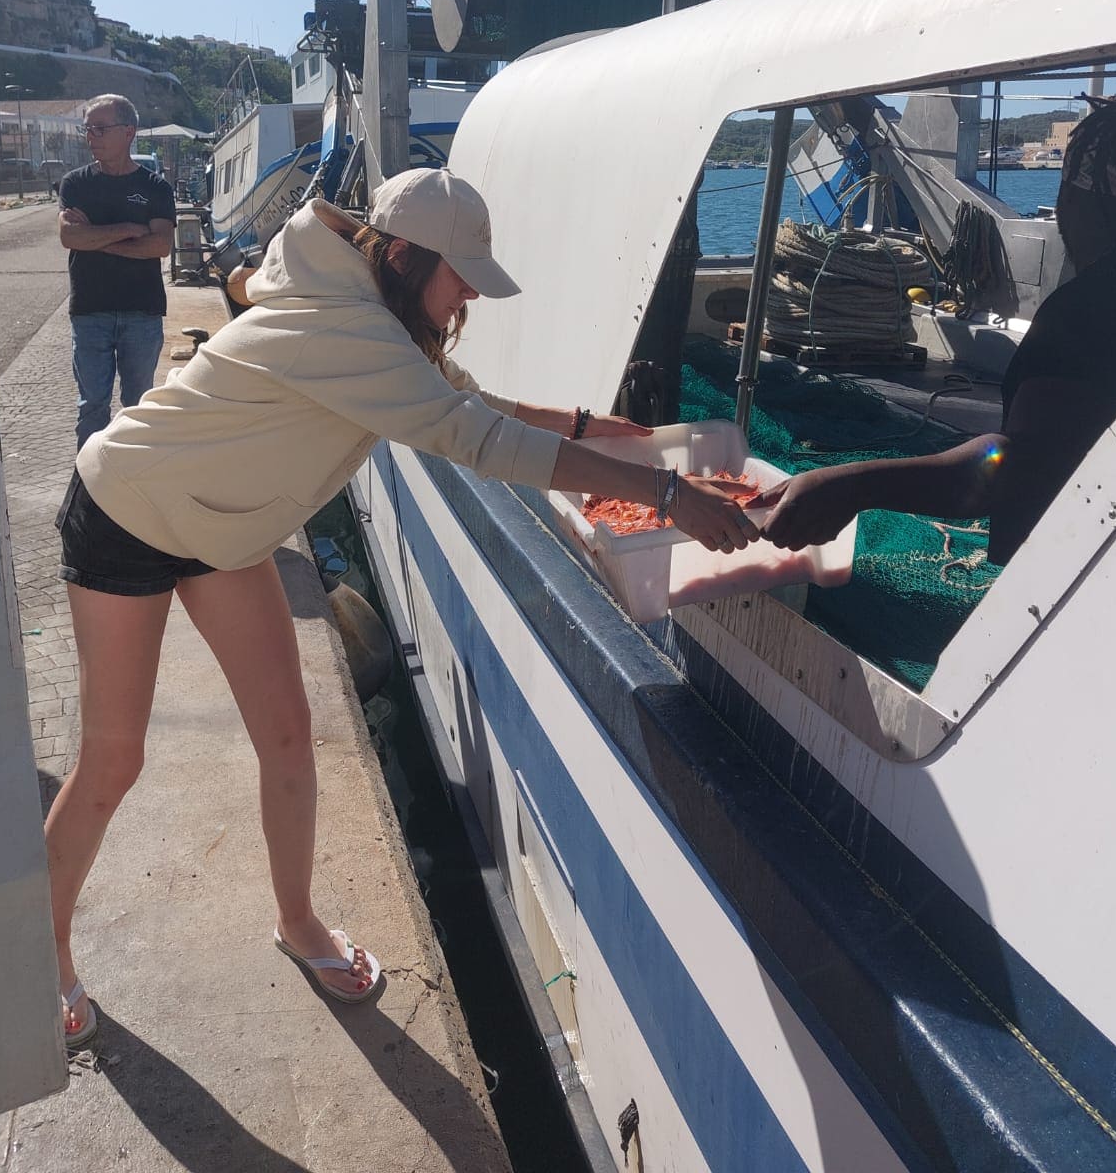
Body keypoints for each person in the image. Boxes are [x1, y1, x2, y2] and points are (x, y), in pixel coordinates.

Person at [50, 167, 760, 1048]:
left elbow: (474, 403)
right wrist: (664, 491)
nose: (471, 295)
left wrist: (596, 427)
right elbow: (476, 438)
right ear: (401, 256)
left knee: (288, 735)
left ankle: (298, 919)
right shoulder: (344, 326)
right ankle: (45, 956)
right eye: (461, 274)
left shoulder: (380, 315)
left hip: (221, 527)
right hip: (129, 508)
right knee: (113, 761)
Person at [754, 94, 1116, 566]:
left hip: (1082, 573)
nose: (1061, 205)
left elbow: (1019, 463)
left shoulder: (1091, 311)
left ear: (1095, 201)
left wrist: (853, 486)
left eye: (1067, 190)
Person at [59, 95, 176, 447]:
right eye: (87, 129)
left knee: (138, 406)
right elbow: (69, 237)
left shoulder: (155, 188)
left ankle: (133, 471)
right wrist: (128, 228)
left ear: (128, 132)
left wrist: (94, 238)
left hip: (142, 313)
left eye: (99, 128)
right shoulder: (75, 184)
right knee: (92, 407)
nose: (90, 136)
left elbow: (160, 246)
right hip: (90, 311)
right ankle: (89, 476)